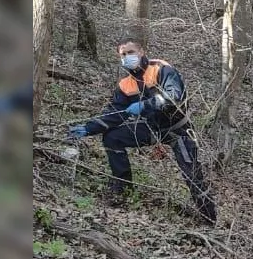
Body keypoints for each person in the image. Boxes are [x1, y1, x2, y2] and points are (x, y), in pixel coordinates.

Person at [67, 38, 217, 225]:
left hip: (179, 129)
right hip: (152, 128)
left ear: (141, 51)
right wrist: (89, 128)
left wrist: (145, 105)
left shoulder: (162, 70)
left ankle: (209, 218)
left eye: (130, 52)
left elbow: (174, 98)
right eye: (123, 55)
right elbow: (114, 114)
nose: (127, 57)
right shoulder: (126, 85)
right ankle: (123, 189)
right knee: (113, 137)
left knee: (192, 173)